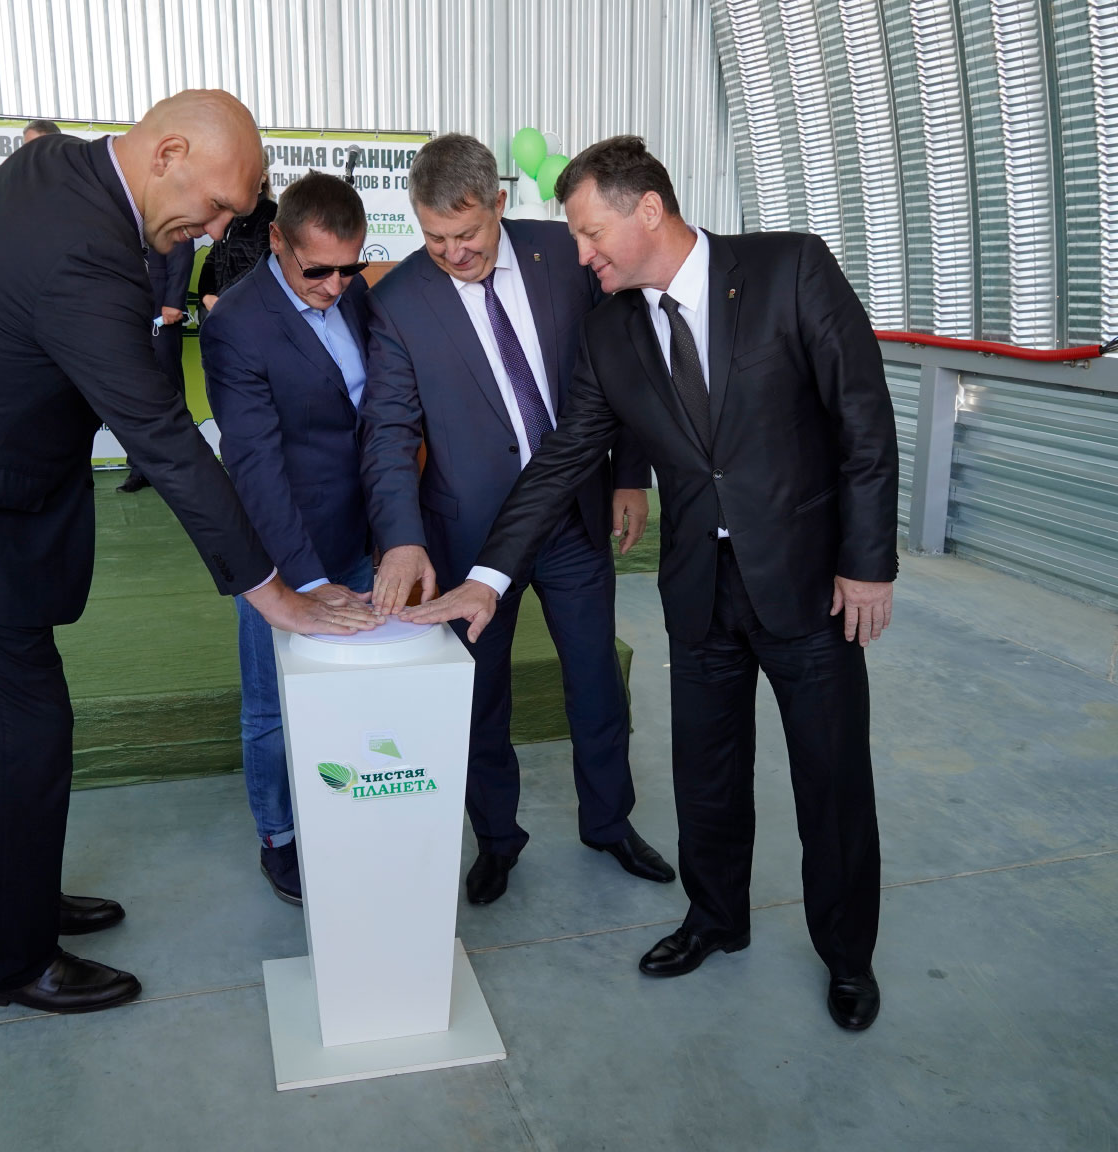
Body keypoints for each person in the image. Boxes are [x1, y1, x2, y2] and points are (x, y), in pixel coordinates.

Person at [0, 91, 378, 1015]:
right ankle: (12, 960)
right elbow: (163, 438)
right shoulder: (82, 257)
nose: (217, 233)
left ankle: (5, 899)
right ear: (168, 153)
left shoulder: (61, 168)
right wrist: (274, 592)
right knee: (23, 733)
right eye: (216, 207)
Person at [405, 136, 899, 1032]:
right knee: (707, 774)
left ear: (649, 210)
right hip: (701, 587)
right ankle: (715, 918)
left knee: (830, 781)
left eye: (591, 234)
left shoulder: (789, 269)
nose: (579, 254)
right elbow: (563, 458)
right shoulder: (613, 331)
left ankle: (847, 955)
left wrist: (866, 563)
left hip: (806, 583)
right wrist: (487, 576)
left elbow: (862, 418)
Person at [360, 133, 671, 906]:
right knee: (480, 699)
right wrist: (402, 538)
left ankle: (608, 823)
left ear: (499, 203)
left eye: (466, 233)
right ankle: (497, 839)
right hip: (468, 539)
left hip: (572, 519)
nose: (452, 253)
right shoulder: (397, 302)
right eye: (434, 237)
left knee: (595, 681)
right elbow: (389, 432)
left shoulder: (564, 255)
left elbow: (625, 365)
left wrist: (628, 475)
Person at [201, 171, 377, 905]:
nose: (335, 286)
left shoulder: (353, 294)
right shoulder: (237, 325)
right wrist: (305, 583)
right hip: (278, 553)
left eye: (349, 268)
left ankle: (348, 807)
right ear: (276, 240)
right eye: (318, 271)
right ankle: (279, 836)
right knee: (271, 707)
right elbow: (256, 467)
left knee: (356, 690)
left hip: (362, 535)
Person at [117, 237, 197, 492]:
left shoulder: (169, 215)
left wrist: (174, 301)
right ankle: (140, 468)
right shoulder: (116, 218)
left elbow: (182, 253)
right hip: (126, 311)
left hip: (162, 313)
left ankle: (182, 463)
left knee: (167, 387)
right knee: (133, 391)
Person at [198, 172, 277, 314]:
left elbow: (262, 262)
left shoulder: (270, 212)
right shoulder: (229, 213)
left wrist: (223, 296)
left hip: (248, 308)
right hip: (215, 308)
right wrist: (206, 295)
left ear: (264, 176)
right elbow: (212, 259)